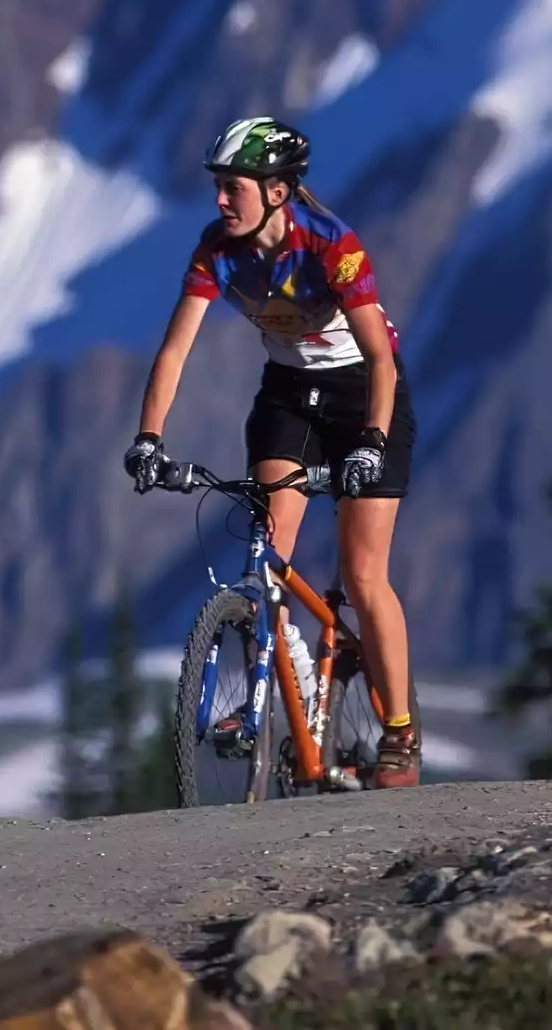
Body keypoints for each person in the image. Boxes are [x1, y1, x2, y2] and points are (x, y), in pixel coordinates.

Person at [123, 116, 421, 788]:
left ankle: (399, 731)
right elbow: (174, 351)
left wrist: (372, 444)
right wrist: (148, 438)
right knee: (266, 559)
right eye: (219, 187)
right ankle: (275, 695)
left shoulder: (330, 244)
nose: (220, 200)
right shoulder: (216, 251)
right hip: (289, 396)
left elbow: (381, 358)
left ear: (277, 192)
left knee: (363, 574)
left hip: (364, 394)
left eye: (234, 187)